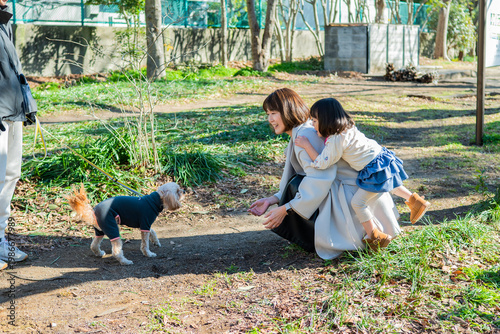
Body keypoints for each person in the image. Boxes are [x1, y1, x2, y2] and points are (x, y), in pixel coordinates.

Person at [248, 88, 401, 259]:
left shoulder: (304, 136)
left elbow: (320, 177)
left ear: (287, 111)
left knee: (298, 188)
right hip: (354, 189)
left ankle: (368, 235)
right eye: (268, 114)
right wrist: (272, 200)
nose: (270, 119)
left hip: (349, 193)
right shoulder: (302, 132)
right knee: (297, 187)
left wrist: (286, 208)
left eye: (274, 113)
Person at [295, 98, 430, 249]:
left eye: (314, 121)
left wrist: (306, 145)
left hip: (372, 169)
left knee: (358, 203)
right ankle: (415, 200)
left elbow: (322, 162)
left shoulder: (336, 140)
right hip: (382, 158)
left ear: (326, 120)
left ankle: (375, 236)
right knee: (388, 184)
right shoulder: (348, 127)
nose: (312, 125)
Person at [0, 0, 31, 270]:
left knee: (11, 174)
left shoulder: (5, 22)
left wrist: (28, 104)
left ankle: (0, 238)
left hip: (13, 110)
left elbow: (15, 68)